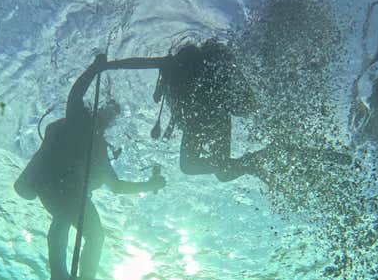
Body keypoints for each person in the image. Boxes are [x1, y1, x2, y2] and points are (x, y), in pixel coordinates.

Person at [14, 54, 167, 280]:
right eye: (106, 115)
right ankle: (59, 275)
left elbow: (116, 186)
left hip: (70, 195)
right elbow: (75, 94)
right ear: (97, 113)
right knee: (64, 216)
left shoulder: (100, 150)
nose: (106, 121)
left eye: (110, 119)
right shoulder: (78, 120)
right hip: (46, 182)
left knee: (96, 236)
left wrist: (150, 184)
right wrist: (94, 69)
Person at [103, 39, 265, 182]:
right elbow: (140, 63)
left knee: (196, 167)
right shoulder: (183, 65)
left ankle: (255, 161)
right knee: (222, 173)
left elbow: (139, 63)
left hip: (200, 122)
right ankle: (255, 161)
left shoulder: (171, 63)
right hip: (214, 119)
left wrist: (107, 66)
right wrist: (107, 66)